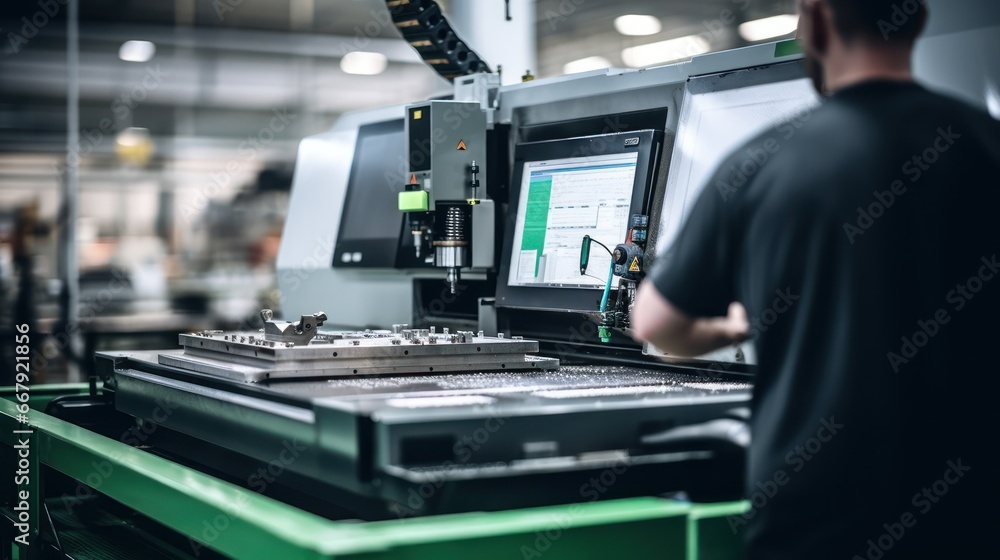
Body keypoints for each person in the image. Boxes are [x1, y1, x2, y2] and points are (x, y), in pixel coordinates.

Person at [631, 0, 1000, 558]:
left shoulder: (764, 160)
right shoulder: (985, 142)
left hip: (814, 526)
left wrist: (733, 328)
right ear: (918, 20)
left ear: (818, 21)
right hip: (971, 522)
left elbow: (656, 326)